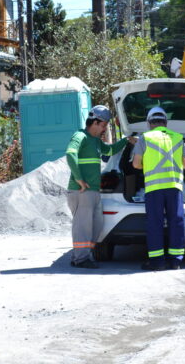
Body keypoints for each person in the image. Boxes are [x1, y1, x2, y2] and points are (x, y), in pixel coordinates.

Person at [65, 105, 133, 269]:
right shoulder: (80, 136)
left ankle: (82, 255)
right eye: (103, 125)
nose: (104, 129)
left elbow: (109, 151)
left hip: (93, 191)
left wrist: (126, 141)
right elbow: (70, 153)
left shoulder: (95, 141)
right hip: (81, 191)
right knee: (83, 227)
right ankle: (81, 259)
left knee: (96, 225)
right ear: (95, 122)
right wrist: (79, 179)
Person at [132, 106, 185, 271]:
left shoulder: (145, 138)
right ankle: (176, 261)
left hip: (154, 188)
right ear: (166, 123)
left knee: (155, 224)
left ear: (149, 123)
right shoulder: (178, 138)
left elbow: (135, 164)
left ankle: (157, 262)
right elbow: (184, 164)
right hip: (174, 186)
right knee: (176, 222)